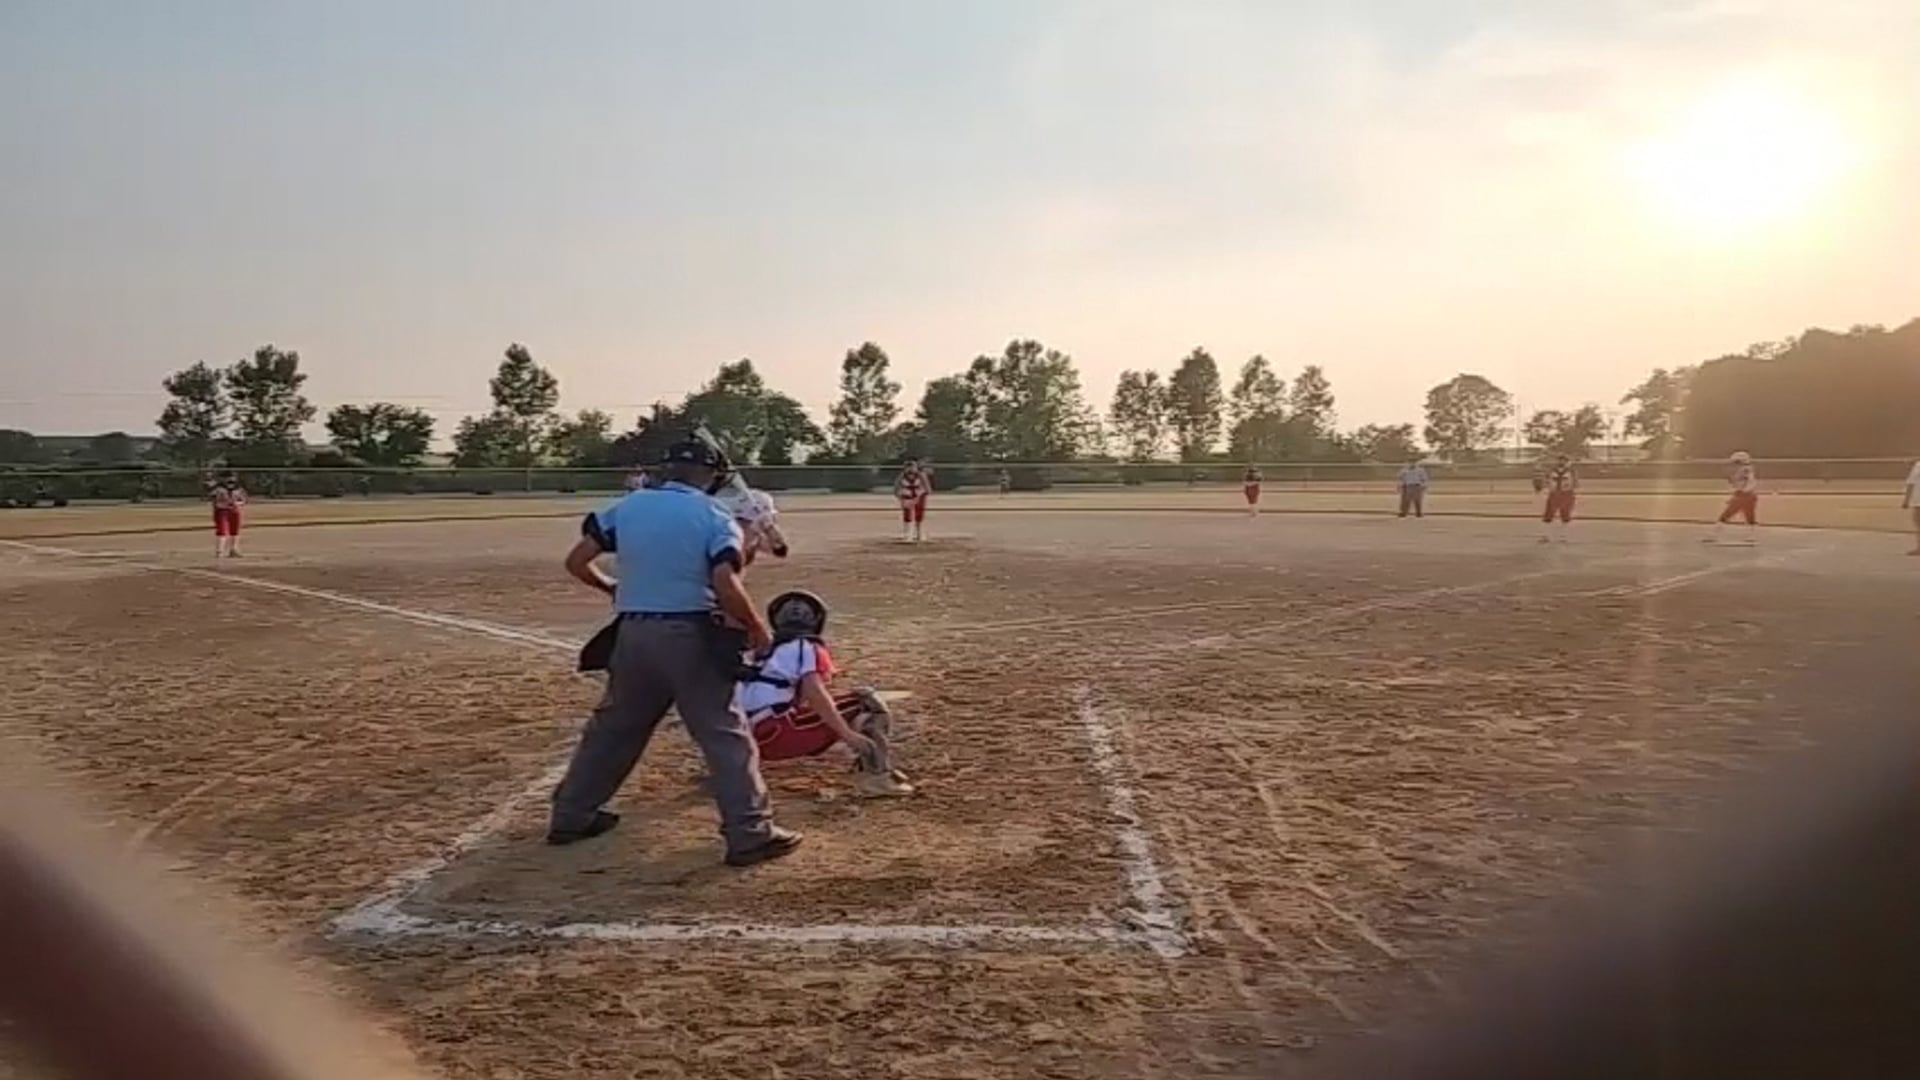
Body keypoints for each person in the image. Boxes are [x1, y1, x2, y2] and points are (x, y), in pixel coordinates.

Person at [548, 436, 801, 867]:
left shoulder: (627, 507)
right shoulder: (713, 516)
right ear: (711, 476)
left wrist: (612, 588)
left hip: (632, 634)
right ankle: (750, 832)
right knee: (724, 735)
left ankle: (572, 815)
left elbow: (577, 561)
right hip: (690, 634)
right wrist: (756, 627)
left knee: (613, 729)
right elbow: (725, 583)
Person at [737, 590, 914, 798]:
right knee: (868, 703)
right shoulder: (805, 647)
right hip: (773, 735)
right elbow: (815, 693)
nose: (796, 607)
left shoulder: (757, 651)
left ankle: (733, 771)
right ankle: (877, 776)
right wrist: (848, 734)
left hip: (737, 739)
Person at [1711, 451, 1759, 546]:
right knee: (1749, 516)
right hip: (1748, 495)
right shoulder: (1745, 470)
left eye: (1737, 462)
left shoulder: (1745, 470)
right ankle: (1752, 536)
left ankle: (1714, 534)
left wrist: (1739, 492)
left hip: (1745, 495)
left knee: (1726, 515)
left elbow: (1747, 483)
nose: (1735, 464)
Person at [1538, 454, 1578, 543]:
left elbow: (1575, 483)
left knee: (1565, 516)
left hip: (1566, 494)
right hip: (1554, 494)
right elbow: (1546, 480)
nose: (1561, 462)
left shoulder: (1571, 471)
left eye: (1563, 460)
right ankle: (1546, 536)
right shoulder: (1551, 471)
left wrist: (1570, 490)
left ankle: (1563, 536)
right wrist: (1546, 487)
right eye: (1560, 460)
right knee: (1548, 515)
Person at [210, 475, 247, 558]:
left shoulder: (239, 490)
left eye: (232, 481)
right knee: (222, 531)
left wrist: (238, 503)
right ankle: (220, 551)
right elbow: (215, 501)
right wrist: (224, 504)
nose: (231, 483)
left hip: (235, 511)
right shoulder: (219, 490)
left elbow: (244, 500)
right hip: (223, 512)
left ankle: (233, 549)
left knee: (235, 531)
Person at [895, 460, 930, 543]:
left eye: (912, 467)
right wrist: (901, 498)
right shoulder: (901, 476)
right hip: (907, 497)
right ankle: (907, 535)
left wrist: (918, 497)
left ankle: (920, 534)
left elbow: (928, 489)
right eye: (908, 467)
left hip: (919, 496)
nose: (910, 469)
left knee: (919, 515)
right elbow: (896, 489)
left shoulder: (921, 475)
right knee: (907, 515)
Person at [1903, 457, 1920, 556]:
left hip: (1918, 500)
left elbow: (1911, 483)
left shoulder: (1918, 465)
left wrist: (1906, 500)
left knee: (1918, 524)